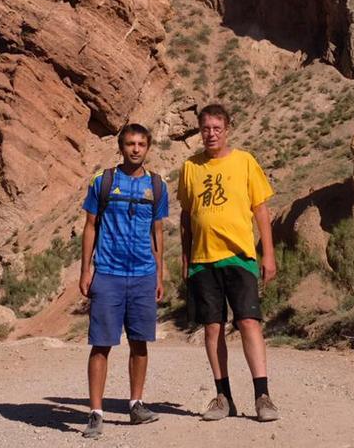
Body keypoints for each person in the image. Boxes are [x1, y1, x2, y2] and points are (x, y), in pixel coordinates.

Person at [178, 103, 279, 423]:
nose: (211, 134)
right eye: (205, 128)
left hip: (240, 255)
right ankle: (223, 398)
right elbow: (185, 217)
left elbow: (261, 210)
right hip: (202, 259)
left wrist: (268, 254)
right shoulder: (190, 167)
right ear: (200, 130)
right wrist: (185, 257)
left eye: (216, 128)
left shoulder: (245, 161)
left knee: (249, 322)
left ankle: (262, 396)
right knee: (212, 327)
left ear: (227, 129)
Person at [78, 123, 168, 439]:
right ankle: (96, 412)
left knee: (139, 342)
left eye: (141, 144)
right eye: (130, 143)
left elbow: (158, 231)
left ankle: (136, 405)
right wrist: (85, 270)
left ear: (147, 147)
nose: (135, 149)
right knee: (101, 344)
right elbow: (90, 226)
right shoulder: (103, 182)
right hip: (108, 274)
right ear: (121, 147)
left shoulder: (157, 186)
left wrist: (160, 273)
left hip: (143, 275)